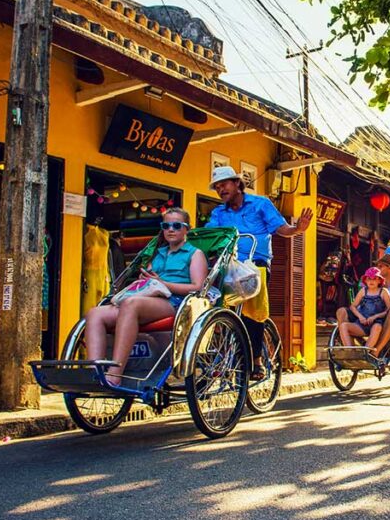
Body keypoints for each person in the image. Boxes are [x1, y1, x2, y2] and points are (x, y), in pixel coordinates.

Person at [206, 165, 312, 379]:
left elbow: (281, 229)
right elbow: (210, 234)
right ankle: (222, 350)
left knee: (254, 312)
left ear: (237, 183)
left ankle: (257, 361)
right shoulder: (219, 212)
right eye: (217, 187)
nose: (221, 190)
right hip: (229, 264)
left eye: (224, 184)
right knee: (212, 302)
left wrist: (298, 229)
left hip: (255, 264)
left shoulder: (260, 203)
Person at [85, 208, 208, 386]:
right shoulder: (157, 254)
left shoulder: (195, 254)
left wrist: (163, 284)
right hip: (148, 299)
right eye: (166, 226)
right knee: (95, 313)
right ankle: (93, 371)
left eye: (176, 225)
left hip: (175, 302)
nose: (170, 229)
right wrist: (145, 281)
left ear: (186, 229)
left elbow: (197, 287)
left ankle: (115, 372)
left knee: (131, 304)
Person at [337, 267, 390, 351]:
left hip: (376, 323)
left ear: (379, 281)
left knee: (377, 327)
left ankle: (366, 352)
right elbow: (353, 306)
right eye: (369, 279)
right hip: (362, 323)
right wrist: (360, 317)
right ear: (365, 281)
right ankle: (350, 352)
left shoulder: (383, 292)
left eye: (374, 279)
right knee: (343, 326)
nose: (371, 281)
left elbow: (389, 309)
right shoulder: (363, 291)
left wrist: (375, 316)